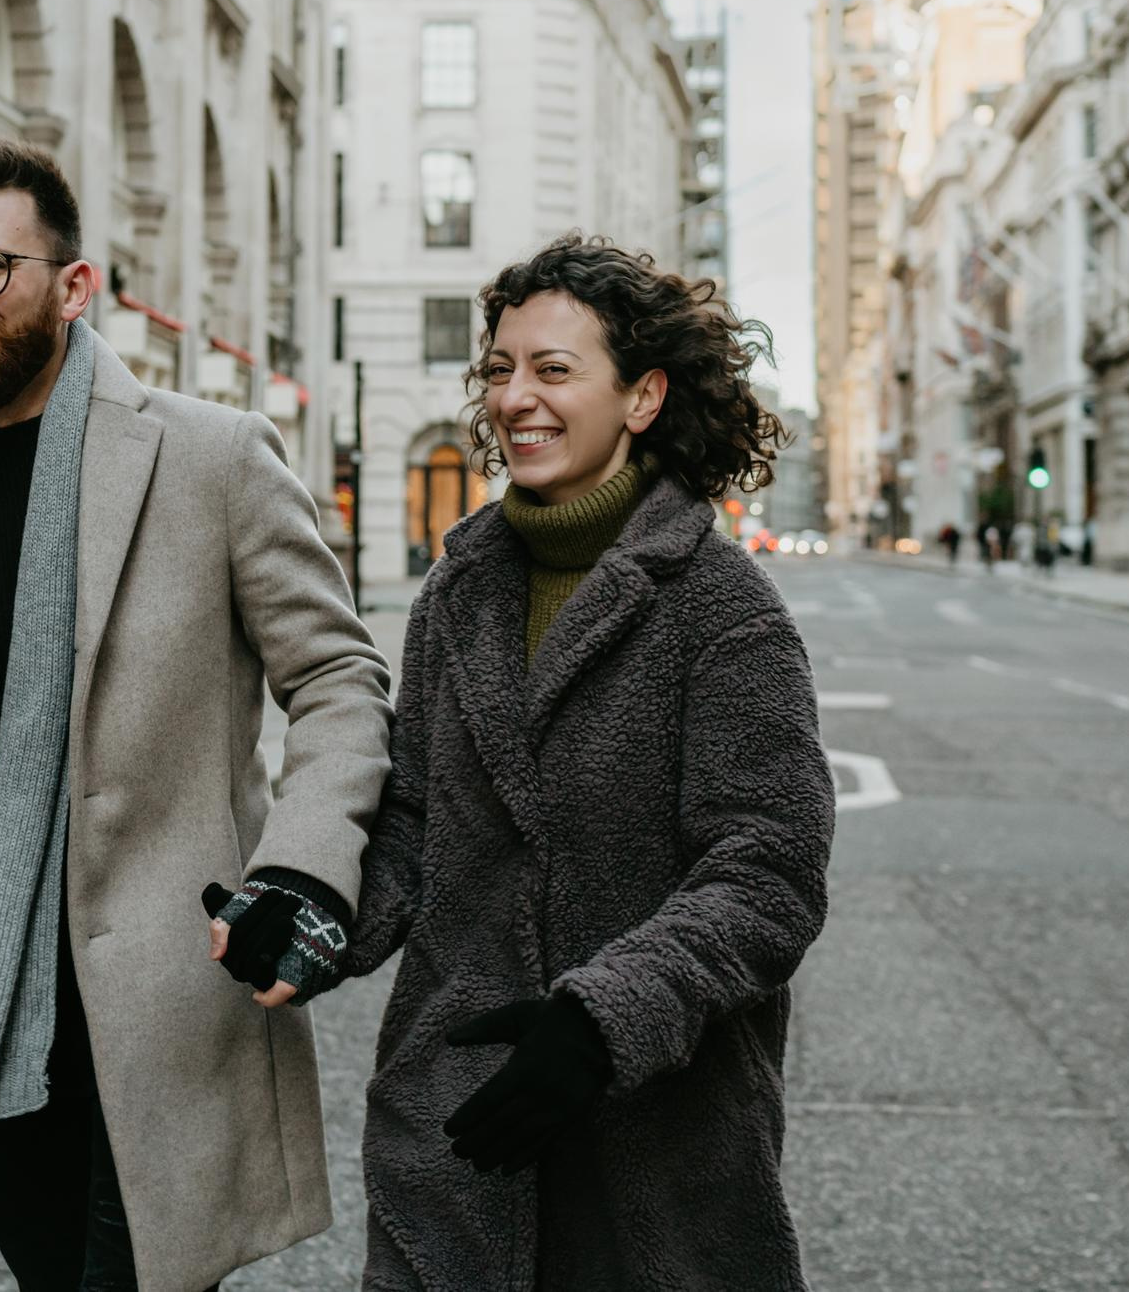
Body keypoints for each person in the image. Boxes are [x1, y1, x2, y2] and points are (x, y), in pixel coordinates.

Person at [0, 138, 391, 1291]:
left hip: (163, 1015)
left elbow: (339, 682)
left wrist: (303, 870)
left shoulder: (213, 460)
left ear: (73, 285)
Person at [340, 235, 836, 1291]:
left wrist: (601, 1017)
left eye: (553, 370)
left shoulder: (720, 607)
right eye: (500, 370)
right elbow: (414, 821)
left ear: (643, 396)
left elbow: (767, 871)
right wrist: (309, 921)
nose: (515, 397)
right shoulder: (459, 588)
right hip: (457, 1118)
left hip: (656, 1146)